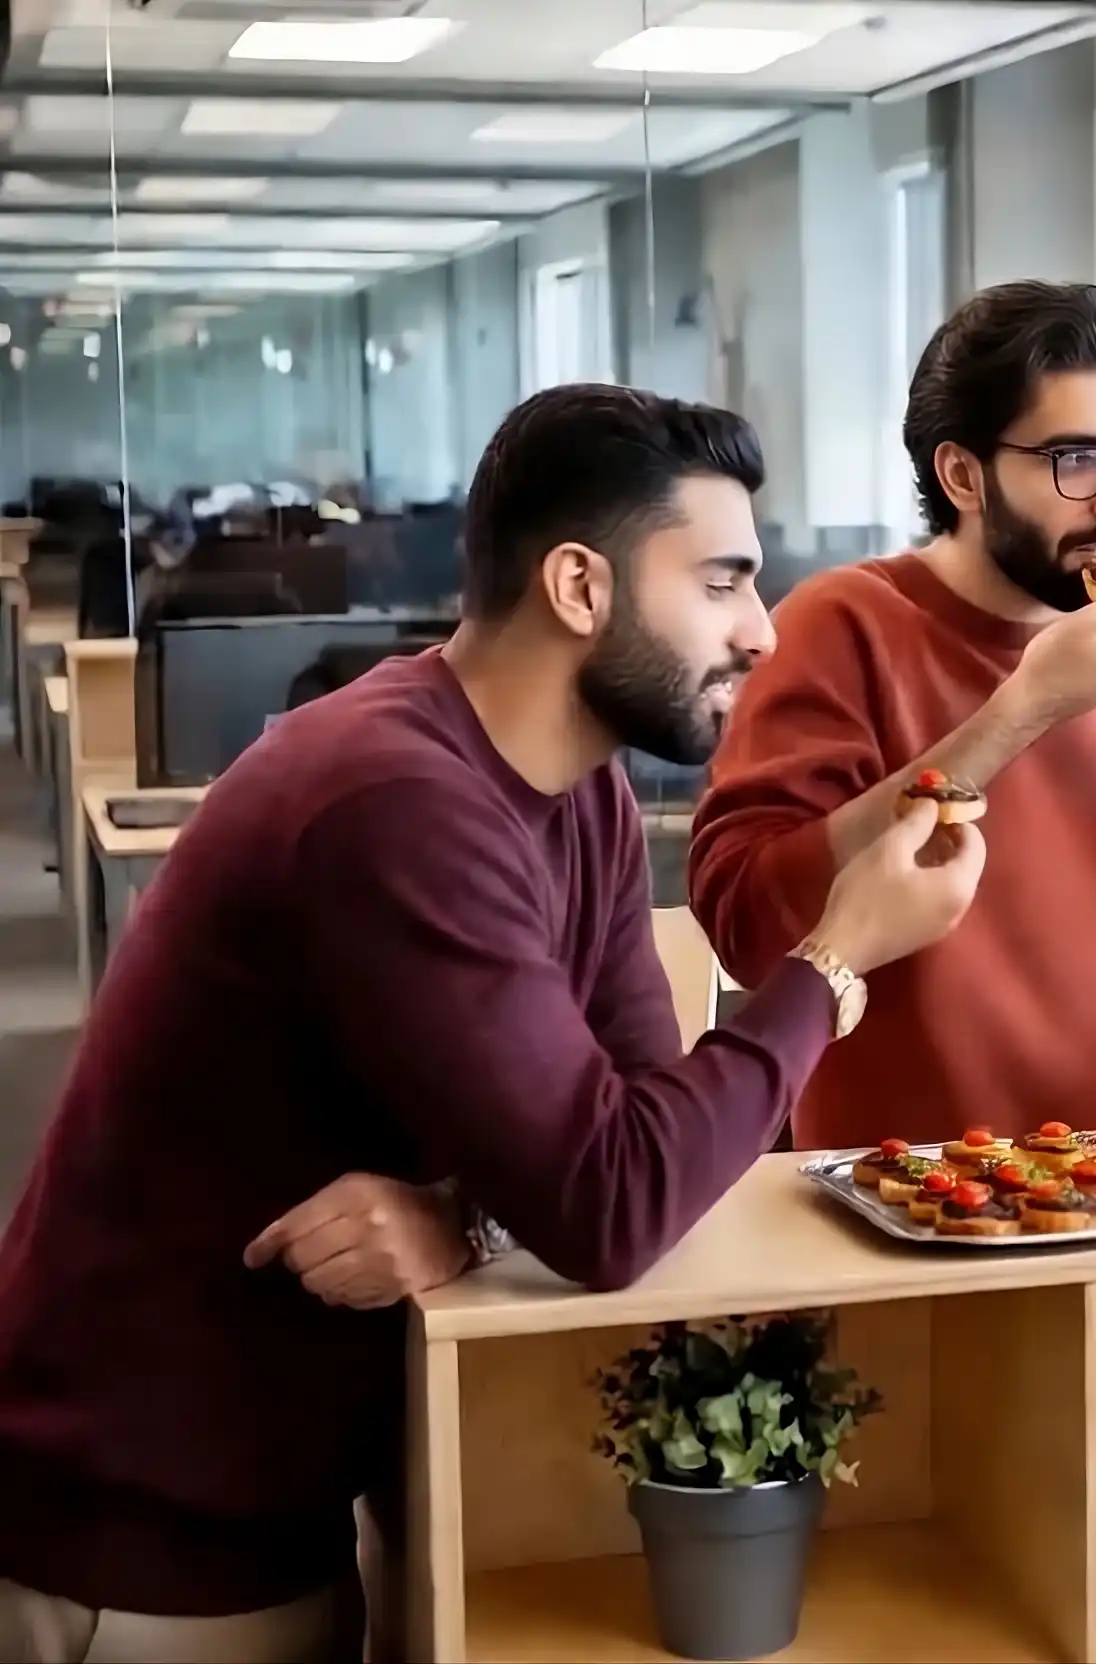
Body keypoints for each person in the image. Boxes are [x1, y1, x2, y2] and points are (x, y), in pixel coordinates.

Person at [0, 386, 984, 1661]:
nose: (761, 629)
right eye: (725, 582)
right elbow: (620, 1199)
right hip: (136, 1547)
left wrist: (464, 1210)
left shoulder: (580, 793)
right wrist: (839, 956)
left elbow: (648, 1136)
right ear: (581, 586)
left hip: (278, 1509)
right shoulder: (396, 798)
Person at [689, 280, 1096, 1150]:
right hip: (900, 1213)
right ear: (963, 474)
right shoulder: (841, 625)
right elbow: (750, 928)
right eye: (1076, 460)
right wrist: (1029, 706)